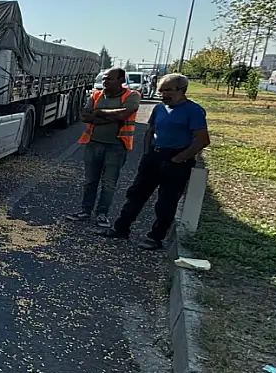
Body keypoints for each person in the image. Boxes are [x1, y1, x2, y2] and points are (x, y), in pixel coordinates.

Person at [99, 73, 210, 250]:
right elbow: (150, 131)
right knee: (136, 194)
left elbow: (202, 139)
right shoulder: (159, 108)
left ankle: (155, 237)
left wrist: (180, 158)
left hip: (176, 160)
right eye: (161, 91)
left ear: (182, 90)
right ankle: (121, 228)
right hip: (154, 156)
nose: (163, 95)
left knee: (166, 200)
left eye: (168, 91)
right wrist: (147, 153)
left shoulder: (194, 111)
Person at [65, 68, 141, 227]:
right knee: (90, 181)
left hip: (116, 147)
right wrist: (109, 116)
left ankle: (102, 214)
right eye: (104, 79)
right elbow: (85, 116)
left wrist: (98, 113)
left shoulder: (132, 96)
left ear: (121, 80)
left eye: (110, 79)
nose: (105, 82)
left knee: (109, 183)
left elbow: (123, 115)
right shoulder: (96, 94)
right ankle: (85, 211)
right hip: (94, 144)